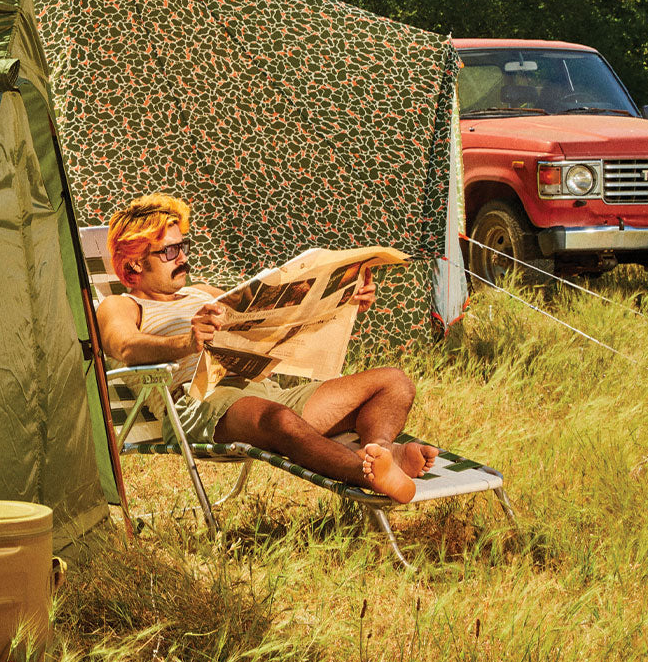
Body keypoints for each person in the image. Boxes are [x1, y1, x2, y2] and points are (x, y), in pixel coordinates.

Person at [96, 193, 438, 504]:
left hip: (264, 390)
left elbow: (270, 319)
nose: (182, 258)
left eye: (183, 247)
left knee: (393, 382)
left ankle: (379, 452)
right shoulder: (121, 305)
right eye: (169, 251)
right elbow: (125, 346)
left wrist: (344, 300)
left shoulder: (201, 292)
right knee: (280, 422)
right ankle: (365, 473)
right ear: (134, 265)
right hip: (201, 402)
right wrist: (187, 342)